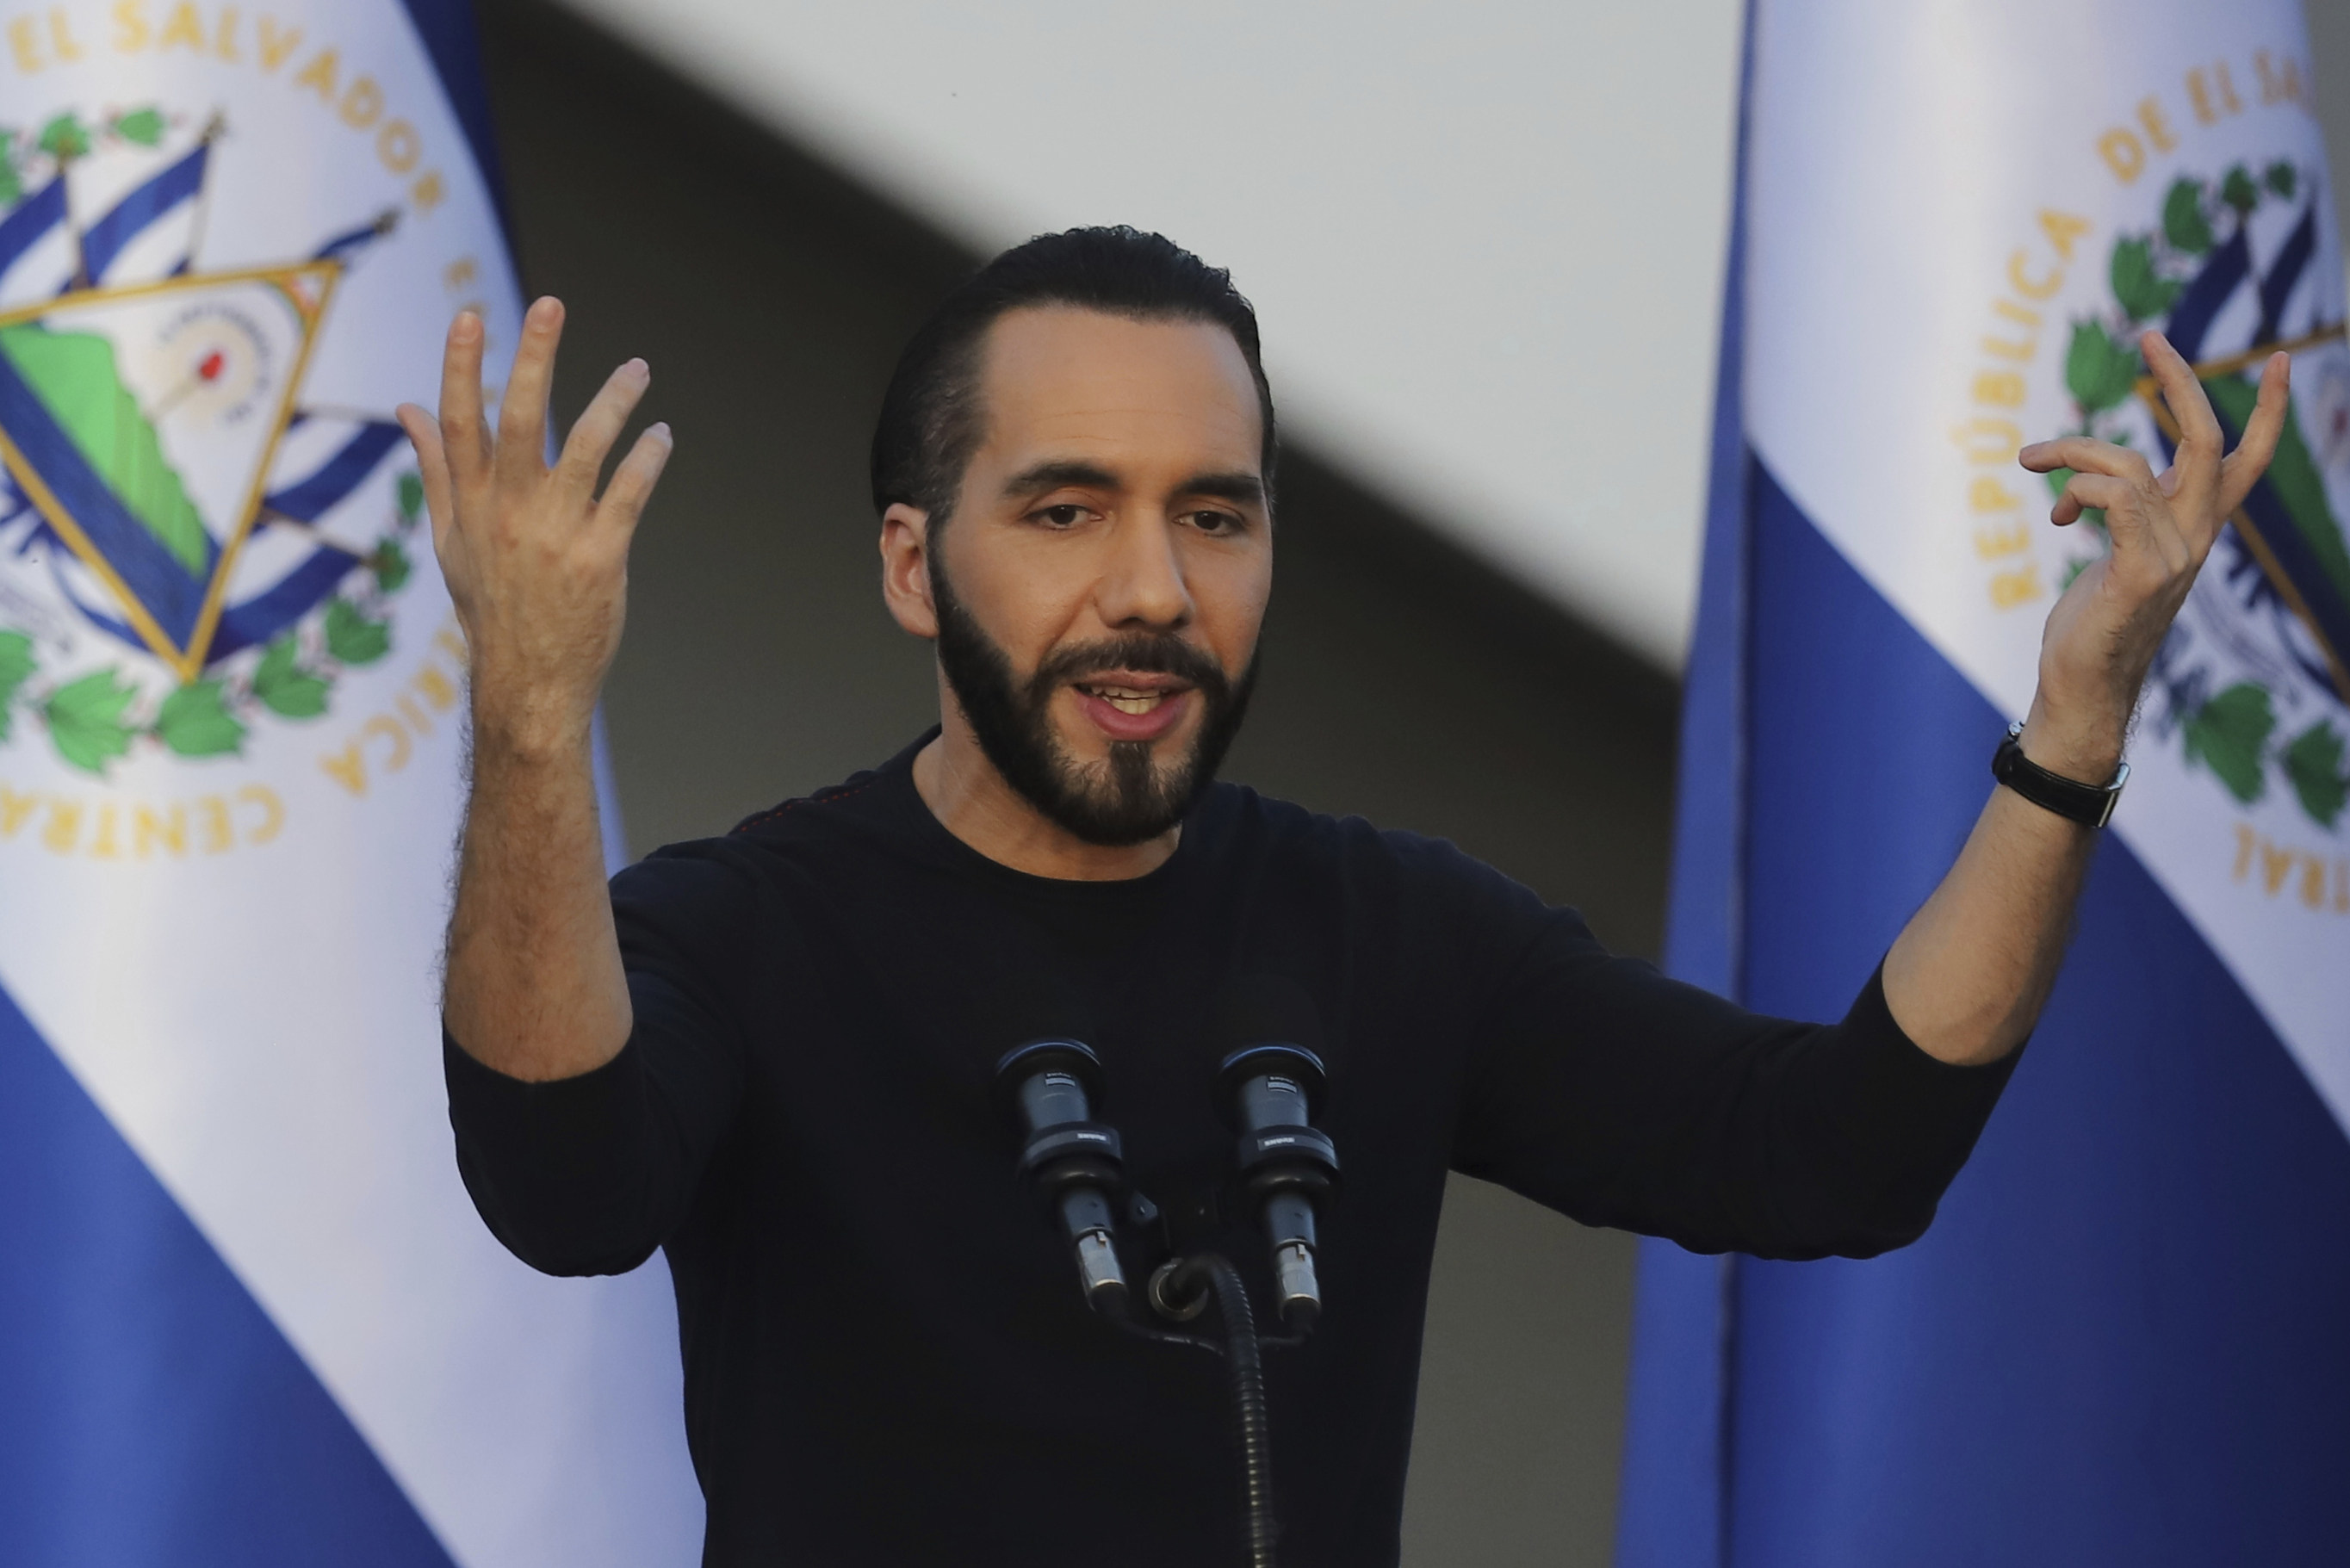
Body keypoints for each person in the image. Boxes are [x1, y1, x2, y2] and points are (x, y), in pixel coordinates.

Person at [394, 226, 2287, 1567]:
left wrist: (2069, 725)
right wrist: (534, 721)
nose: (1152, 584)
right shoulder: (759, 923)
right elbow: (562, 1184)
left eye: (1214, 513)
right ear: (912, 564)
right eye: (1066, 510)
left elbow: (1838, 1153)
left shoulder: (1391, 931)